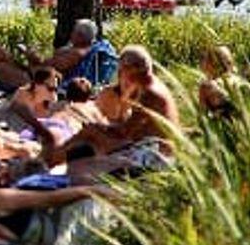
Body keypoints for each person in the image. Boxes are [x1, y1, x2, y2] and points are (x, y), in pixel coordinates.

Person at [47, 45, 182, 180]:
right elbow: (130, 130)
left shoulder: (149, 94)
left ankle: (49, 161)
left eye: (121, 71)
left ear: (130, 70)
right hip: (148, 150)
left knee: (91, 134)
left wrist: (100, 129)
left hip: (154, 158)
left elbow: (125, 134)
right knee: (91, 135)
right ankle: (52, 160)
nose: (119, 75)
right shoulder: (148, 86)